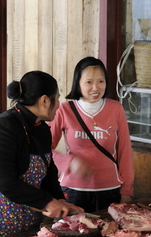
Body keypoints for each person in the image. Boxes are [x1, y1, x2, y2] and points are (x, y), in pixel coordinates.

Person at [0, 70, 82, 237]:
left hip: (27, 223)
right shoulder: (2, 128)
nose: (58, 105)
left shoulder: (41, 128)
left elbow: (48, 170)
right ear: (44, 100)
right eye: (56, 98)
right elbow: (6, 182)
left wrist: (59, 199)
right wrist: (46, 201)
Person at [50, 57, 134, 212]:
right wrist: (68, 162)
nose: (95, 87)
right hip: (73, 191)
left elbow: (125, 152)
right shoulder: (65, 110)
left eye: (101, 81)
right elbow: (45, 149)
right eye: (89, 82)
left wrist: (126, 190)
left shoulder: (116, 109)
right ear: (78, 83)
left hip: (110, 190)